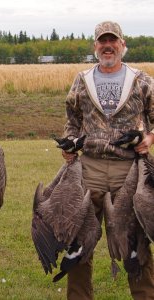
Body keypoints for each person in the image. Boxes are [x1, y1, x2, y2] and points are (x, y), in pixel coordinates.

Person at [61, 21, 154, 299]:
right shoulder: (82, 79)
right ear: (95, 46)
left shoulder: (142, 80)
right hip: (90, 168)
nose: (108, 46)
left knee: (134, 241)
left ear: (123, 45)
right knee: (80, 239)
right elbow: (72, 119)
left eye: (113, 41)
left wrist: (149, 139)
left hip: (130, 172)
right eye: (103, 41)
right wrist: (68, 146)